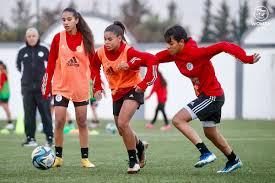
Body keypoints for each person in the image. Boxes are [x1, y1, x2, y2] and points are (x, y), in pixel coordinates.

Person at [156, 25, 261, 173]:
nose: (168, 47)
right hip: (209, 96)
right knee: (210, 133)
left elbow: (224, 45)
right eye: (166, 43)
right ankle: (233, 160)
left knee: (178, 120)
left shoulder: (197, 53)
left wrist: (246, 59)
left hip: (212, 96)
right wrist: (129, 63)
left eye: (171, 43)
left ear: (181, 42)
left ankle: (205, 153)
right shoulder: (174, 54)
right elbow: (152, 58)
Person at [91, 21, 158, 173]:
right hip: (116, 93)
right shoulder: (100, 52)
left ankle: (133, 161)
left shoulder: (130, 52)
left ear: (119, 38)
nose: (106, 42)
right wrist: (97, 87)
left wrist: (144, 83)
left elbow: (152, 60)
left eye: (110, 39)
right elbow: (94, 67)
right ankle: (140, 146)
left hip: (133, 89)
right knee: (122, 129)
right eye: (105, 39)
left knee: (122, 122)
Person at [42, 8, 95, 168]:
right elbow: (50, 64)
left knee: (82, 122)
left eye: (69, 19)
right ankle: (58, 157)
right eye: (63, 19)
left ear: (76, 20)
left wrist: (97, 84)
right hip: (61, 86)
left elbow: (94, 64)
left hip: (80, 87)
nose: (65, 22)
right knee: (58, 120)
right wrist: (46, 86)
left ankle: (85, 159)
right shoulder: (58, 38)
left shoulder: (86, 38)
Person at [16, 27, 53, 147]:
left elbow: (52, 66)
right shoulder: (21, 51)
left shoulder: (45, 49)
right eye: (29, 36)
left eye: (33, 36)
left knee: (46, 114)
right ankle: (30, 138)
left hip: (43, 89)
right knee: (29, 115)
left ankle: (49, 138)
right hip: (27, 89)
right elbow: (18, 67)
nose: (31, 38)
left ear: (37, 37)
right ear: (26, 38)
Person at [0, 61, 13, 130]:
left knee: (6, 108)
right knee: (6, 108)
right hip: (4, 94)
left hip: (4, 94)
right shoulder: (4, 73)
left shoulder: (3, 73)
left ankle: (10, 123)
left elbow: (1, 84)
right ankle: (10, 123)